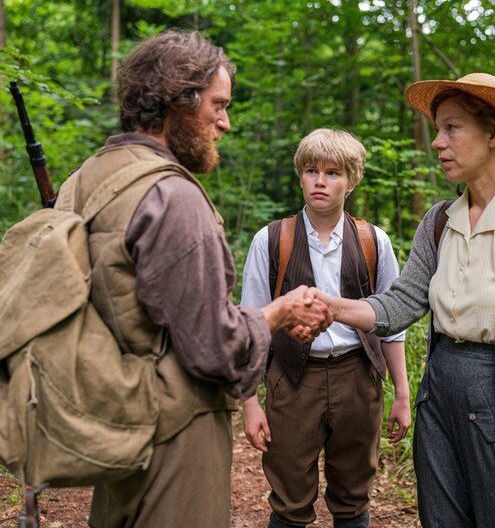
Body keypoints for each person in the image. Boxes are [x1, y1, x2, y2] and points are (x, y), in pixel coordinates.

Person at [53, 30, 331, 527]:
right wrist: (280, 311)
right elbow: (214, 347)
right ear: (176, 99)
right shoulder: (172, 196)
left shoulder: (87, 178)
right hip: (174, 435)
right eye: (217, 105)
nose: (225, 122)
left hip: (112, 420)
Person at [309, 73, 495, 527]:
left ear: (493, 133)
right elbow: (399, 304)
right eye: (437, 129)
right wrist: (329, 307)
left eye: (452, 128)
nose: (437, 143)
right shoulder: (439, 221)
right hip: (438, 396)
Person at [240, 128, 411, 528]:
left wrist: (402, 394)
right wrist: (250, 403)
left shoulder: (373, 240)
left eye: (333, 172)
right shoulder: (271, 240)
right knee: (289, 498)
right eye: (311, 171)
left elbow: (391, 323)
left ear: (352, 181)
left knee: (353, 496)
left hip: (357, 377)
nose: (320, 181)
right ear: (300, 176)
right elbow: (251, 327)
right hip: (292, 379)